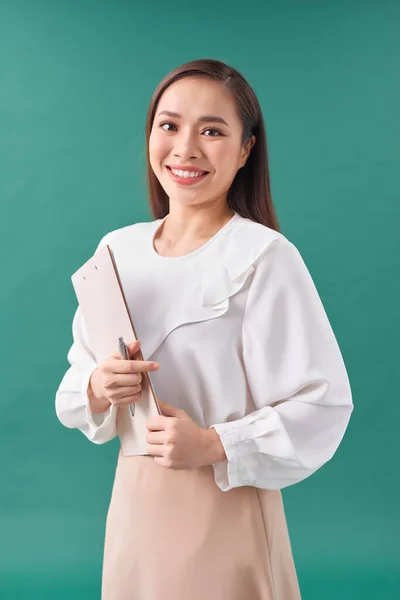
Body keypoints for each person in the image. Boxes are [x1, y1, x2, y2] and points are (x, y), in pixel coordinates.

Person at [55, 58, 353, 600]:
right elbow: (78, 380)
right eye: (169, 126)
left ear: (245, 150)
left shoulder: (264, 257)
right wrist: (100, 387)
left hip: (227, 507)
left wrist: (216, 443)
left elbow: (323, 404)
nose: (186, 148)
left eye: (212, 131)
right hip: (135, 508)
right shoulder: (115, 251)